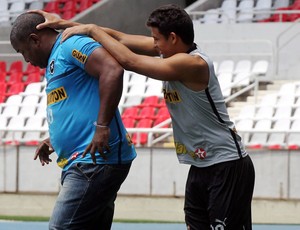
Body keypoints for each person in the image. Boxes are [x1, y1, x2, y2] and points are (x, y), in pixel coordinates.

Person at [32, 4, 255, 230]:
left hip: (227, 164)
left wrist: (91, 30)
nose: (154, 45)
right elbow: (119, 37)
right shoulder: (172, 50)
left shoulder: (192, 63)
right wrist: (67, 24)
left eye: (157, 39)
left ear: (174, 38)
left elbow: (130, 61)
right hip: (201, 165)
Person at [10, 12, 136, 230]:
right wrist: (54, 139)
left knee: (61, 227)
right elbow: (77, 104)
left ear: (34, 39)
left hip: (93, 161)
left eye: (23, 51)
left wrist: (102, 126)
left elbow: (112, 70)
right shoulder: (56, 59)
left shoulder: (70, 44)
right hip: (81, 160)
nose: (26, 60)